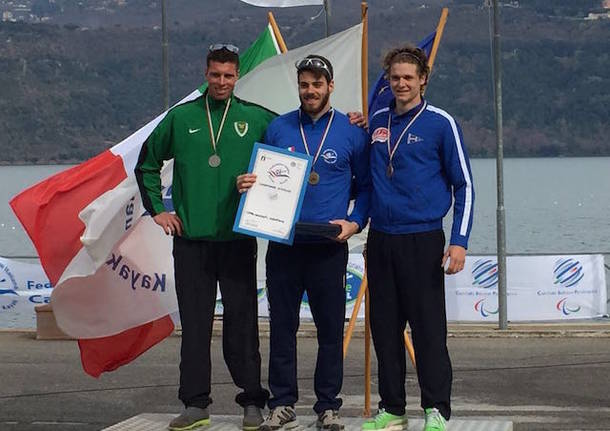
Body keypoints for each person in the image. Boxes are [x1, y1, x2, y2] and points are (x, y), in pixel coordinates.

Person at [135, 44, 275, 431]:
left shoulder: (257, 118)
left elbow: (297, 144)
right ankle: (196, 404)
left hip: (236, 239)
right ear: (206, 73)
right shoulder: (180, 118)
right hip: (192, 241)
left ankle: (252, 402)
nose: (222, 82)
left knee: (242, 324)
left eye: (229, 75)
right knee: (195, 326)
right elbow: (146, 163)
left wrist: (352, 121)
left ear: (237, 76)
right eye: (215, 75)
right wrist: (158, 211)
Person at [237, 55, 370, 431]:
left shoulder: (351, 132)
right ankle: (282, 403)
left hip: (329, 244)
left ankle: (328, 406)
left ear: (330, 86)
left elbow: (367, 188)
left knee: (330, 329)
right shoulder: (278, 128)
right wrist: (246, 185)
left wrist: (356, 221)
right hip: (284, 243)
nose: (310, 91)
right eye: (304, 84)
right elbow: (258, 176)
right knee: (282, 327)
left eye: (317, 84)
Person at [363, 46, 474, 431]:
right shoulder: (377, 120)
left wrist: (459, 241)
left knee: (428, 331)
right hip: (381, 240)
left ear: (423, 79)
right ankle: (392, 407)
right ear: (388, 81)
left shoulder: (441, 123)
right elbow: (362, 174)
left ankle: (437, 409)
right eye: (395, 78)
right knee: (384, 329)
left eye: (409, 77)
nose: (402, 84)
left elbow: (465, 186)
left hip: (423, 239)